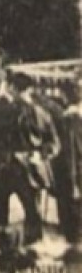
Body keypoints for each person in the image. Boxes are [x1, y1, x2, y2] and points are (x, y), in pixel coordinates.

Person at [0, 72, 59, 244]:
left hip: (7, 164)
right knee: (32, 208)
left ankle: (2, 242)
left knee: (0, 206)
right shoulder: (42, 112)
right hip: (30, 165)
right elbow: (54, 142)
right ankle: (33, 243)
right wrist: (41, 154)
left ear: (13, 88)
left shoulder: (5, 109)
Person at [55, 83, 82, 244]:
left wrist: (72, 180)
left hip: (73, 169)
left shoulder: (69, 120)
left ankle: (74, 239)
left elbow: (69, 151)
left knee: (72, 204)